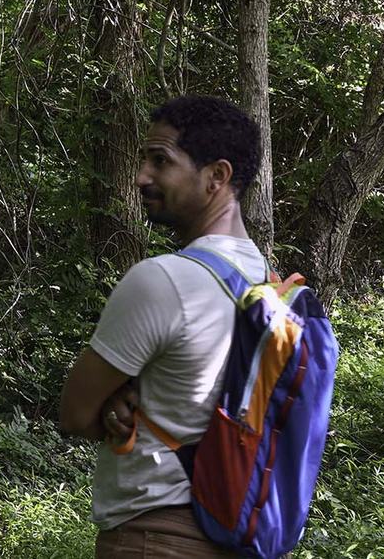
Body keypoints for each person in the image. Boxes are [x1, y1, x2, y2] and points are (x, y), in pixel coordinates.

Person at [59, 95, 265, 557]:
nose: (141, 177)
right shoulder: (265, 281)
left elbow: (74, 413)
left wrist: (115, 397)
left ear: (217, 176)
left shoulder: (164, 279)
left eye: (160, 161)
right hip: (242, 531)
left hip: (158, 535)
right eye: (143, 159)